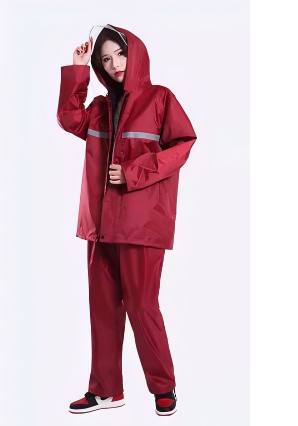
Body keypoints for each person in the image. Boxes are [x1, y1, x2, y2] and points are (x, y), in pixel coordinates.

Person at [56, 24, 197, 416]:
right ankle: (105, 390)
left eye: (119, 53)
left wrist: (134, 172)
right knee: (102, 308)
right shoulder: (99, 109)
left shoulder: (160, 99)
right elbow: (69, 119)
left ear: (134, 52)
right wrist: (77, 71)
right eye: (105, 59)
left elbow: (183, 145)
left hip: (141, 225)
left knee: (141, 306)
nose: (114, 63)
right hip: (99, 226)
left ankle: (163, 386)